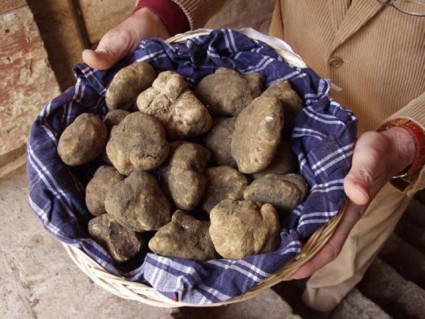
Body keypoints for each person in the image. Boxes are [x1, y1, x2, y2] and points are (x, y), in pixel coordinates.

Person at [82, 0, 425, 312]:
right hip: (288, 64)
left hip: (386, 137)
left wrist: (410, 137)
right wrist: (163, 11)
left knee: (351, 244)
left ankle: (319, 301)